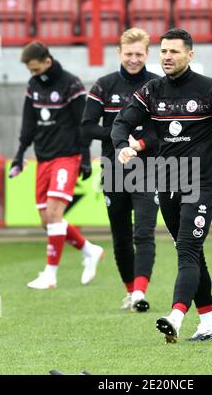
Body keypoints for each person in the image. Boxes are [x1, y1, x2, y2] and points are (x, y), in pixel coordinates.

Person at [111, 28, 212, 343]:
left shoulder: (211, 91)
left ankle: (177, 315)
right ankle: (208, 323)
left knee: (186, 249)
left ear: (190, 55)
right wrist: (121, 147)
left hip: (201, 182)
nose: (167, 57)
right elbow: (122, 122)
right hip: (167, 179)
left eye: (174, 52)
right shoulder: (151, 91)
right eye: (163, 51)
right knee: (193, 253)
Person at [10, 41, 104, 290]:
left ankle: (50, 275)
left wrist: (84, 157)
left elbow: (83, 123)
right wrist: (20, 154)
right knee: (46, 220)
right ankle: (89, 250)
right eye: (30, 71)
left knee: (54, 215)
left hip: (67, 156)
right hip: (43, 158)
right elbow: (28, 124)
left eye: (35, 70)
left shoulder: (71, 84)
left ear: (47, 62)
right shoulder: (33, 86)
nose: (33, 75)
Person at [81, 28, 159, 312]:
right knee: (121, 236)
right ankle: (130, 291)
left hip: (150, 167)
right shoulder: (104, 85)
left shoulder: (158, 85)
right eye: (129, 54)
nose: (134, 59)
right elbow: (87, 126)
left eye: (139, 54)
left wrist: (137, 143)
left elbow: (161, 132)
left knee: (144, 233)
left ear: (147, 54)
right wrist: (118, 136)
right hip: (113, 169)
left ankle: (140, 292)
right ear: (119, 53)